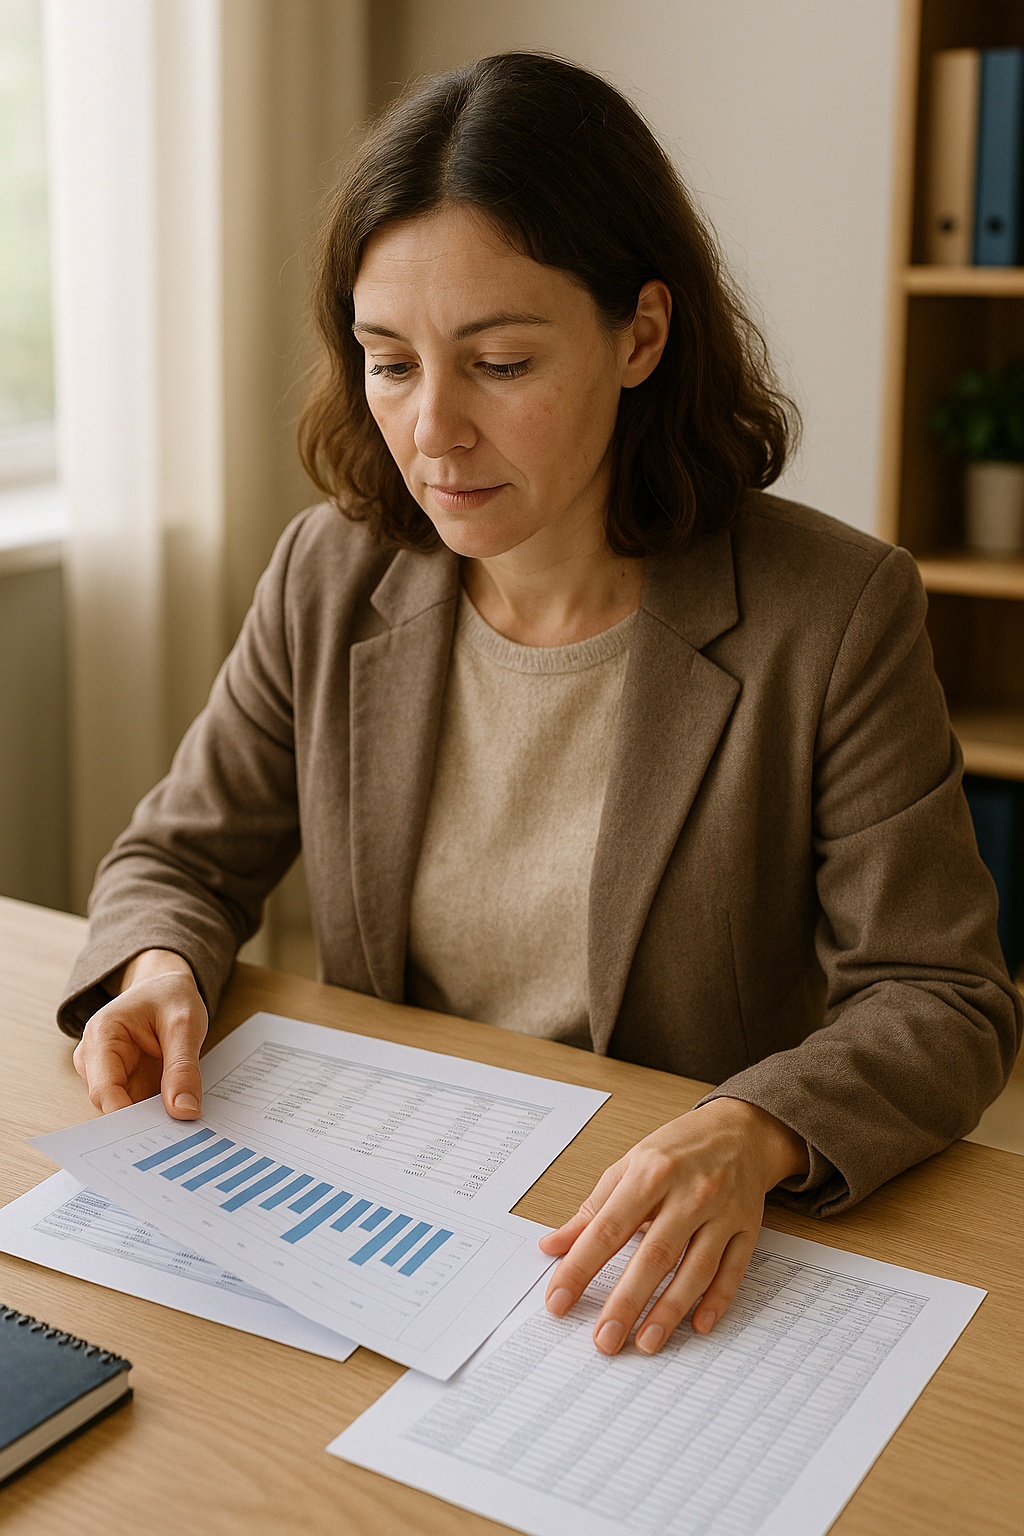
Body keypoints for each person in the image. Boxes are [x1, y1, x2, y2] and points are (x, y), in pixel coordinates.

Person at [61, 53, 1020, 1362]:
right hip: (395, 1210)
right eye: (389, 363)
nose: (433, 430)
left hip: (644, 1239)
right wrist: (159, 968)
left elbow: (944, 995)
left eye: (500, 362)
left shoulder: (835, 612)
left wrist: (754, 1130)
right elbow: (180, 857)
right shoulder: (331, 573)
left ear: (641, 336)